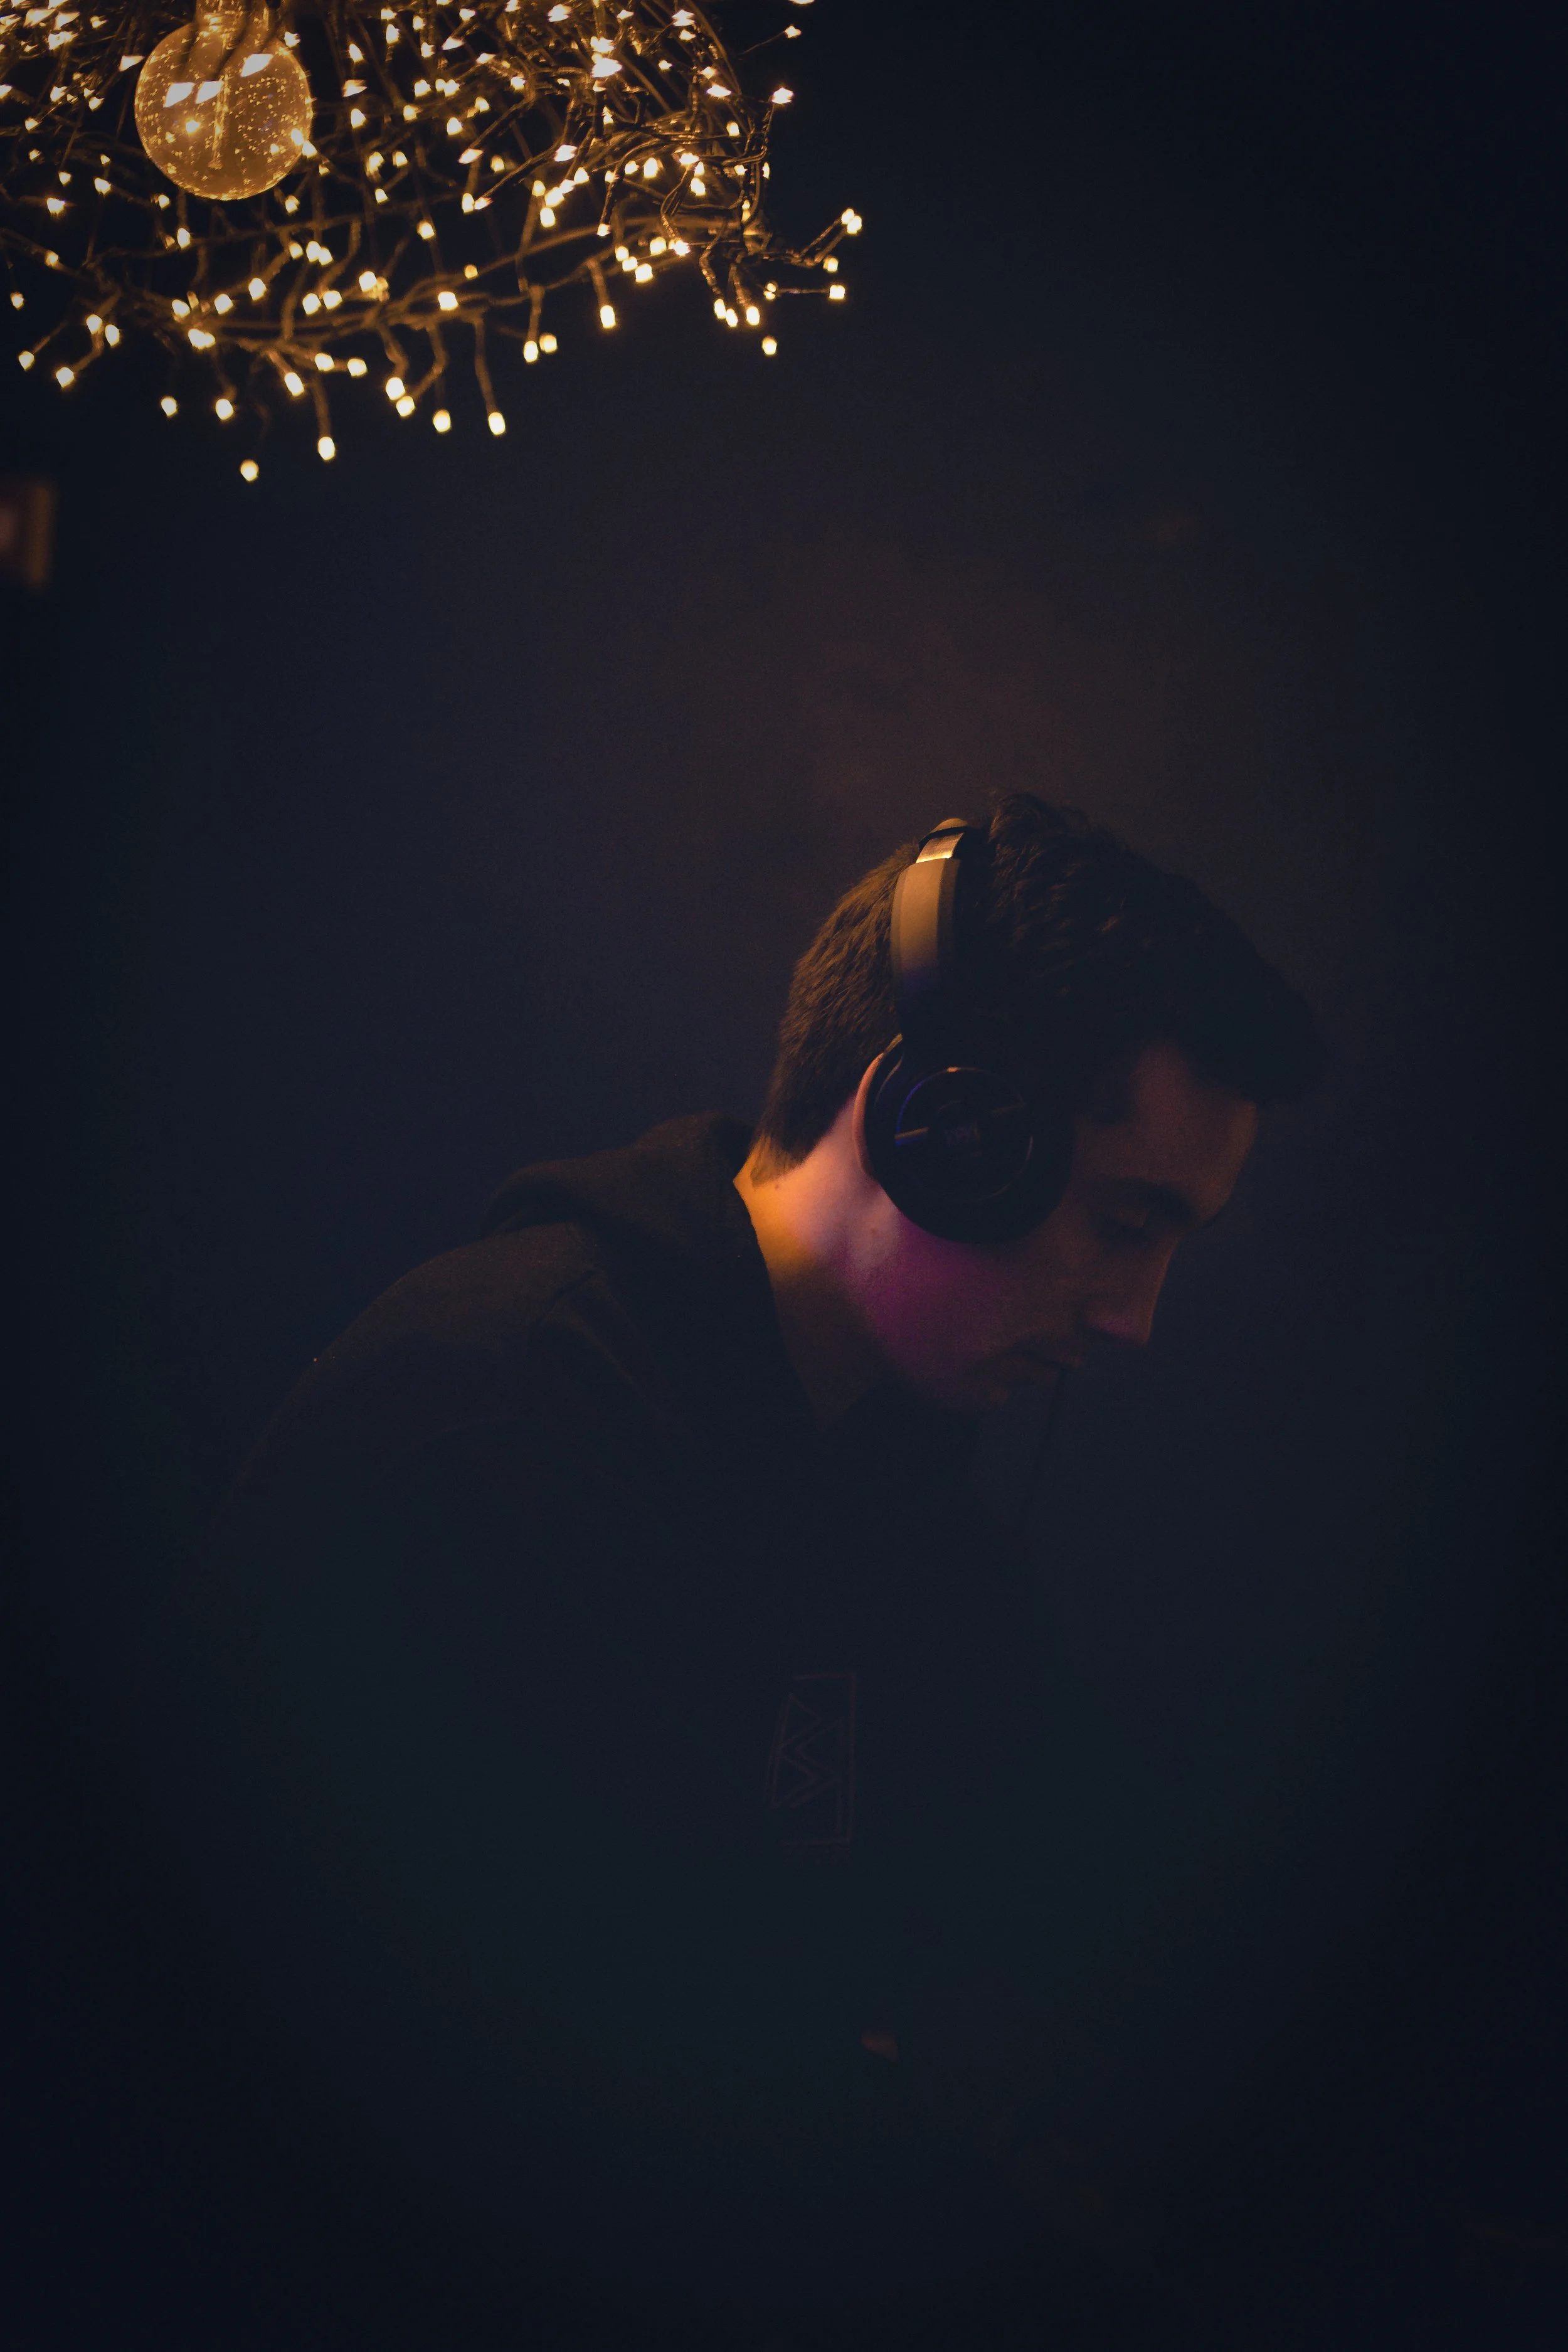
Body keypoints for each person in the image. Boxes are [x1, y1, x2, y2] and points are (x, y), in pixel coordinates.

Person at [131, 795, 1322, 2348]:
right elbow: (540, 2133)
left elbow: (1080, 1884)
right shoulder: (509, 1422)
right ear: (943, 1133)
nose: (1132, 1318)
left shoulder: (880, 1470)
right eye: (1121, 1221)